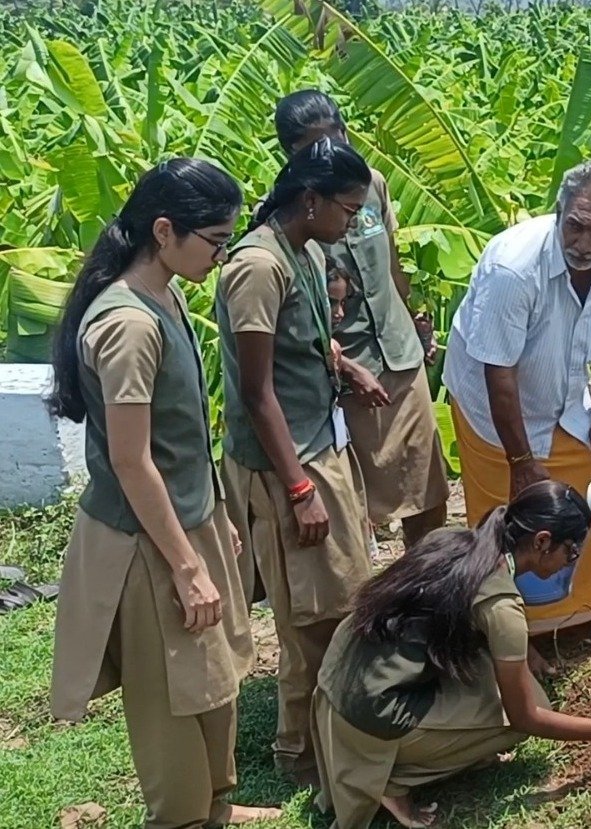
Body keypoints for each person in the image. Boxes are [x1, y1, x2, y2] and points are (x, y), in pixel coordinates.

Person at [46, 159, 279, 827]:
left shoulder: (168, 293)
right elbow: (131, 459)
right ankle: (181, 813)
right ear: (164, 230)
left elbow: (181, 437)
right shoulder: (128, 325)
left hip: (185, 521)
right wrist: (185, 564)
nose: (222, 254)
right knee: (173, 692)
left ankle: (217, 804)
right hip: (146, 543)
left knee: (213, 675)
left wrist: (214, 520)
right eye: (215, 240)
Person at [311, 481, 591, 828]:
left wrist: (522, 648)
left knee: (502, 684)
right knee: (532, 707)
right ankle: (393, 779)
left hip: (338, 676)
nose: (571, 561)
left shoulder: (454, 540)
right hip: (368, 712)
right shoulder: (502, 608)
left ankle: (423, 749)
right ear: (543, 541)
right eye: (572, 550)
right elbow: (526, 719)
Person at [442, 158, 591, 671]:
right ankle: (515, 630)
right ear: (558, 213)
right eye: (574, 225)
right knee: (505, 520)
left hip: (563, 396)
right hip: (495, 408)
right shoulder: (514, 268)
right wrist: (521, 462)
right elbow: (499, 372)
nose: (584, 242)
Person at [217, 137, 375, 784]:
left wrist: (345, 366)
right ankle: (301, 756)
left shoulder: (303, 251)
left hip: (319, 443)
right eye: (348, 209)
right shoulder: (257, 267)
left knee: (344, 598)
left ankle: (335, 734)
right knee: (311, 615)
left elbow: (298, 344)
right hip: (291, 462)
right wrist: (300, 487)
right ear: (310, 200)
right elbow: (257, 392)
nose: (354, 223)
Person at [274, 90, 449, 550]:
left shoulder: (371, 184)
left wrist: (415, 319)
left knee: (427, 487)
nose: (333, 154)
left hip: (399, 353)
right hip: (348, 369)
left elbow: (391, 262)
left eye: (338, 138)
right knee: (355, 502)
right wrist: (342, 366)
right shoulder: (291, 213)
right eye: (316, 149)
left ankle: (428, 586)